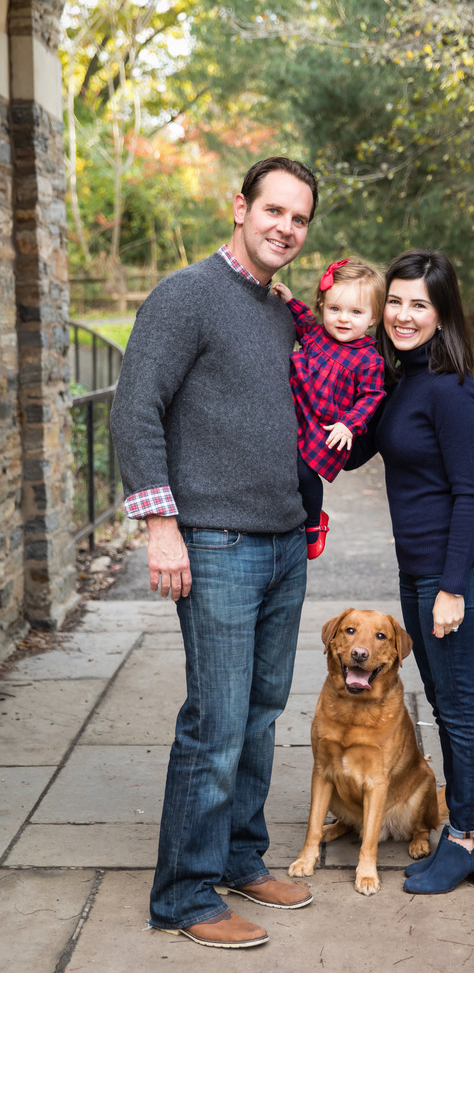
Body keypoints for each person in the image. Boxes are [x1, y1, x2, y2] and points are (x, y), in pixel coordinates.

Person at [110, 156, 319, 949]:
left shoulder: (277, 311)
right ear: (239, 207)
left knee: (260, 715)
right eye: (273, 211)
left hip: (282, 540)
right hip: (217, 542)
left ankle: (239, 856)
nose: (284, 228)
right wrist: (162, 525)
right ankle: (185, 894)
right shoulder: (185, 295)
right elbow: (136, 410)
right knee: (216, 719)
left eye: (298, 219)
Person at [347, 248, 474, 894]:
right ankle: (462, 831)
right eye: (396, 302)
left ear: (442, 313)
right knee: (441, 700)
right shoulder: (400, 377)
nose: (403, 315)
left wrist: (451, 588)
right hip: (417, 572)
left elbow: (470, 494)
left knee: (458, 707)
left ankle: (465, 837)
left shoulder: (450, 388)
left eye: (419, 305)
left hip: (448, 574)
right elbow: (358, 452)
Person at [272, 258, 385, 557]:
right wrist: (289, 301)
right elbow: (303, 321)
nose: (343, 319)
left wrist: (350, 424)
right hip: (297, 410)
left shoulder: (369, 359)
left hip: (326, 426)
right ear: (323, 306)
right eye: (335, 309)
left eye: (356, 312)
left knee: (306, 473)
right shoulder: (316, 334)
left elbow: (371, 396)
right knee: (284, 464)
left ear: (373, 318)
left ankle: (313, 521)